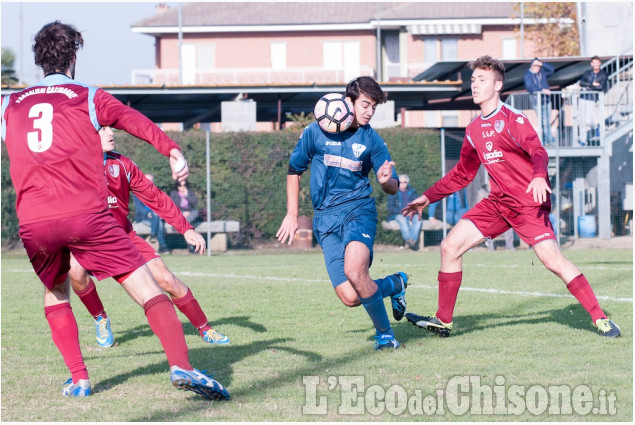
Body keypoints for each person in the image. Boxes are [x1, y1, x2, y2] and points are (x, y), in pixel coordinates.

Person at [0, 21, 230, 400]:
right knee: (147, 287)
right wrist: (171, 149)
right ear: (73, 57)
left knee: (56, 292)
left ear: (39, 60)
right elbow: (133, 121)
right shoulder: (87, 96)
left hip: (35, 223)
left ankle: (79, 379)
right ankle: (181, 366)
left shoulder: (9, 102)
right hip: (86, 215)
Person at [401, 55, 620, 339]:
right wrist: (428, 197)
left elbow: (538, 151)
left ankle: (600, 318)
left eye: (482, 80)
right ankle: (443, 321)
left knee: (553, 260)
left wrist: (540, 175)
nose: (475, 85)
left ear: (498, 86)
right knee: (449, 247)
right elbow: (462, 174)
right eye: (473, 80)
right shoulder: (473, 130)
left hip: (528, 204)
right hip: (497, 204)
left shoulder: (514, 119)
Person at [276, 76, 409, 350]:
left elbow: (392, 187)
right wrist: (292, 213)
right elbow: (294, 170)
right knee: (350, 296)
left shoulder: (371, 139)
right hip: (325, 219)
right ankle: (395, 284)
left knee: (355, 271)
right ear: (347, 101)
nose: (369, 112)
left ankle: (385, 334)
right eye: (365, 104)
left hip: (358, 211)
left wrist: (386, 181)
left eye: (373, 107)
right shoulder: (316, 132)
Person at [70, 125, 230, 349]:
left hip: (123, 237)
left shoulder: (123, 165)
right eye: (101, 129)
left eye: (110, 128)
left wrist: (186, 228)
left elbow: (155, 197)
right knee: (74, 272)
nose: (110, 133)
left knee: (166, 279)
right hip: (89, 241)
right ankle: (100, 318)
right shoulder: (71, 166)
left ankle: (205, 329)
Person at [523, 57, 555, 146]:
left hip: (546, 101)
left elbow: (552, 70)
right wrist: (542, 90)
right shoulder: (528, 75)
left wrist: (542, 63)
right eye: (535, 65)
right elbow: (530, 88)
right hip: (537, 102)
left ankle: (549, 140)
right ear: (531, 66)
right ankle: (545, 141)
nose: (537, 67)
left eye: (538, 66)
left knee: (547, 122)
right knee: (542, 122)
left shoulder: (542, 73)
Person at [578, 56, 608, 146]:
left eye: (597, 63)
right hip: (583, 97)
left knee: (588, 120)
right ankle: (583, 141)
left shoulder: (603, 74)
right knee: (582, 121)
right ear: (591, 64)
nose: (595, 64)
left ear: (600, 63)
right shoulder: (587, 73)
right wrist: (592, 84)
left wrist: (588, 87)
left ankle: (595, 127)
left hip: (592, 98)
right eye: (594, 63)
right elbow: (581, 83)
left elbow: (601, 87)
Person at [387, 174, 422, 249]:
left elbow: (417, 204)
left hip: (411, 213)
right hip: (398, 214)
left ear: (407, 183)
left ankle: (412, 240)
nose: (403, 184)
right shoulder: (393, 192)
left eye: (405, 182)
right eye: (401, 182)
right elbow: (390, 207)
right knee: (402, 219)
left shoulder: (413, 191)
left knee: (418, 219)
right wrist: (402, 212)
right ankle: (408, 239)